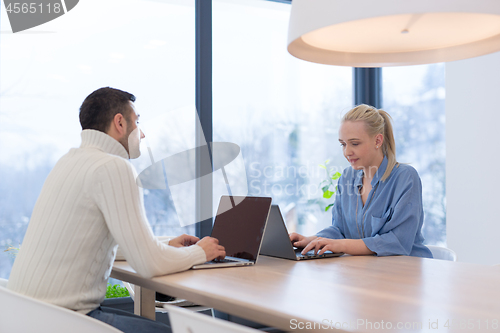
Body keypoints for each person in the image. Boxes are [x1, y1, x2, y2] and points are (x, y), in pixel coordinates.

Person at [7, 87, 226, 333]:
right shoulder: (112, 167)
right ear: (119, 122)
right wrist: (200, 252)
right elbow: (148, 264)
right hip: (63, 320)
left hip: (22, 316)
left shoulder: (69, 162)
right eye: (137, 122)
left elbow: (94, 242)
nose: (141, 134)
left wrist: (164, 245)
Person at [290, 104, 432, 258]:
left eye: (355, 144)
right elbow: (339, 230)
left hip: (405, 272)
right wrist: (311, 240)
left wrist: (342, 245)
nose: (347, 152)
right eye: (343, 144)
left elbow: (397, 241)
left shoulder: (405, 177)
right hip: (367, 272)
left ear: (378, 140)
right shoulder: (346, 177)